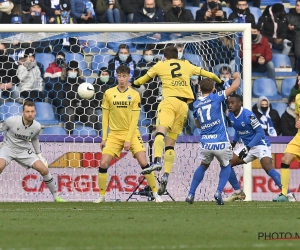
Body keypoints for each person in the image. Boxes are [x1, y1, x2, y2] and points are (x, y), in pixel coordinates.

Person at [133, 46, 222, 195]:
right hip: (184, 106)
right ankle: (166, 175)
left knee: (160, 133)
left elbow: (141, 80)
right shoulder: (186, 64)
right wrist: (218, 81)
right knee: (171, 144)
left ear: (165, 57)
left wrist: (134, 84)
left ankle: (156, 161)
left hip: (168, 102)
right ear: (178, 56)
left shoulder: (160, 65)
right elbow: (207, 74)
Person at [93, 65, 162, 203]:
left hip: (131, 133)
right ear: (116, 76)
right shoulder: (109, 93)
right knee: (103, 163)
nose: (122, 79)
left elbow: (134, 120)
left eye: (124, 76)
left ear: (129, 77)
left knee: (143, 161)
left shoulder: (135, 95)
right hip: (114, 134)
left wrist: (128, 139)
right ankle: (101, 196)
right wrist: (104, 138)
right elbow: (105, 117)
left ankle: (155, 193)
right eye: (119, 76)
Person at [225, 94, 295, 202]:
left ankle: (288, 194)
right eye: (229, 103)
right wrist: (234, 142)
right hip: (248, 146)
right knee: (226, 163)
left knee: (267, 167)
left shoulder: (248, 115)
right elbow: (238, 129)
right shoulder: (230, 115)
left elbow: (260, 132)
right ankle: (238, 192)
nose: (230, 105)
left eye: (233, 103)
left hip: (260, 144)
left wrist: (248, 147)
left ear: (240, 103)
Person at [185, 73, 241, 205]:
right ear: (213, 89)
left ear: (199, 89)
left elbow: (198, 124)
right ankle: (218, 192)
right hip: (221, 140)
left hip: (206, 143)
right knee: (226, 164)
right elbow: (235, 86)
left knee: (203, 166)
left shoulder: (196, 104)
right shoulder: (216, 97)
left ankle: (191, 194)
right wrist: (237, 76)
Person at [0, 100, 66, 202]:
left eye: (32, 111)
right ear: (23, 112)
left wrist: (39, 155)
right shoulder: (11, 121)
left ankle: (56, 196)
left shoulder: (37, 126)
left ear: (35, 112)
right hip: (8, 148)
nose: (30, 114)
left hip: (24, 151)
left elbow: (34, 139)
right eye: (27, 111)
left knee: (44, 169)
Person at [273, 93, 300, 202]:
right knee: (285, 159)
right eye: (298, 79)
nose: (299, 82)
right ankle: (285, 194)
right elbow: (297, 114)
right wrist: (297, 122)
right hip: (299, 137)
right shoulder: (297, 97)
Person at [287, 0, 300, 72]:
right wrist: (289, 28)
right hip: (293, 37)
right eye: (297, 5)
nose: (298, 8)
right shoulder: (289, 15)